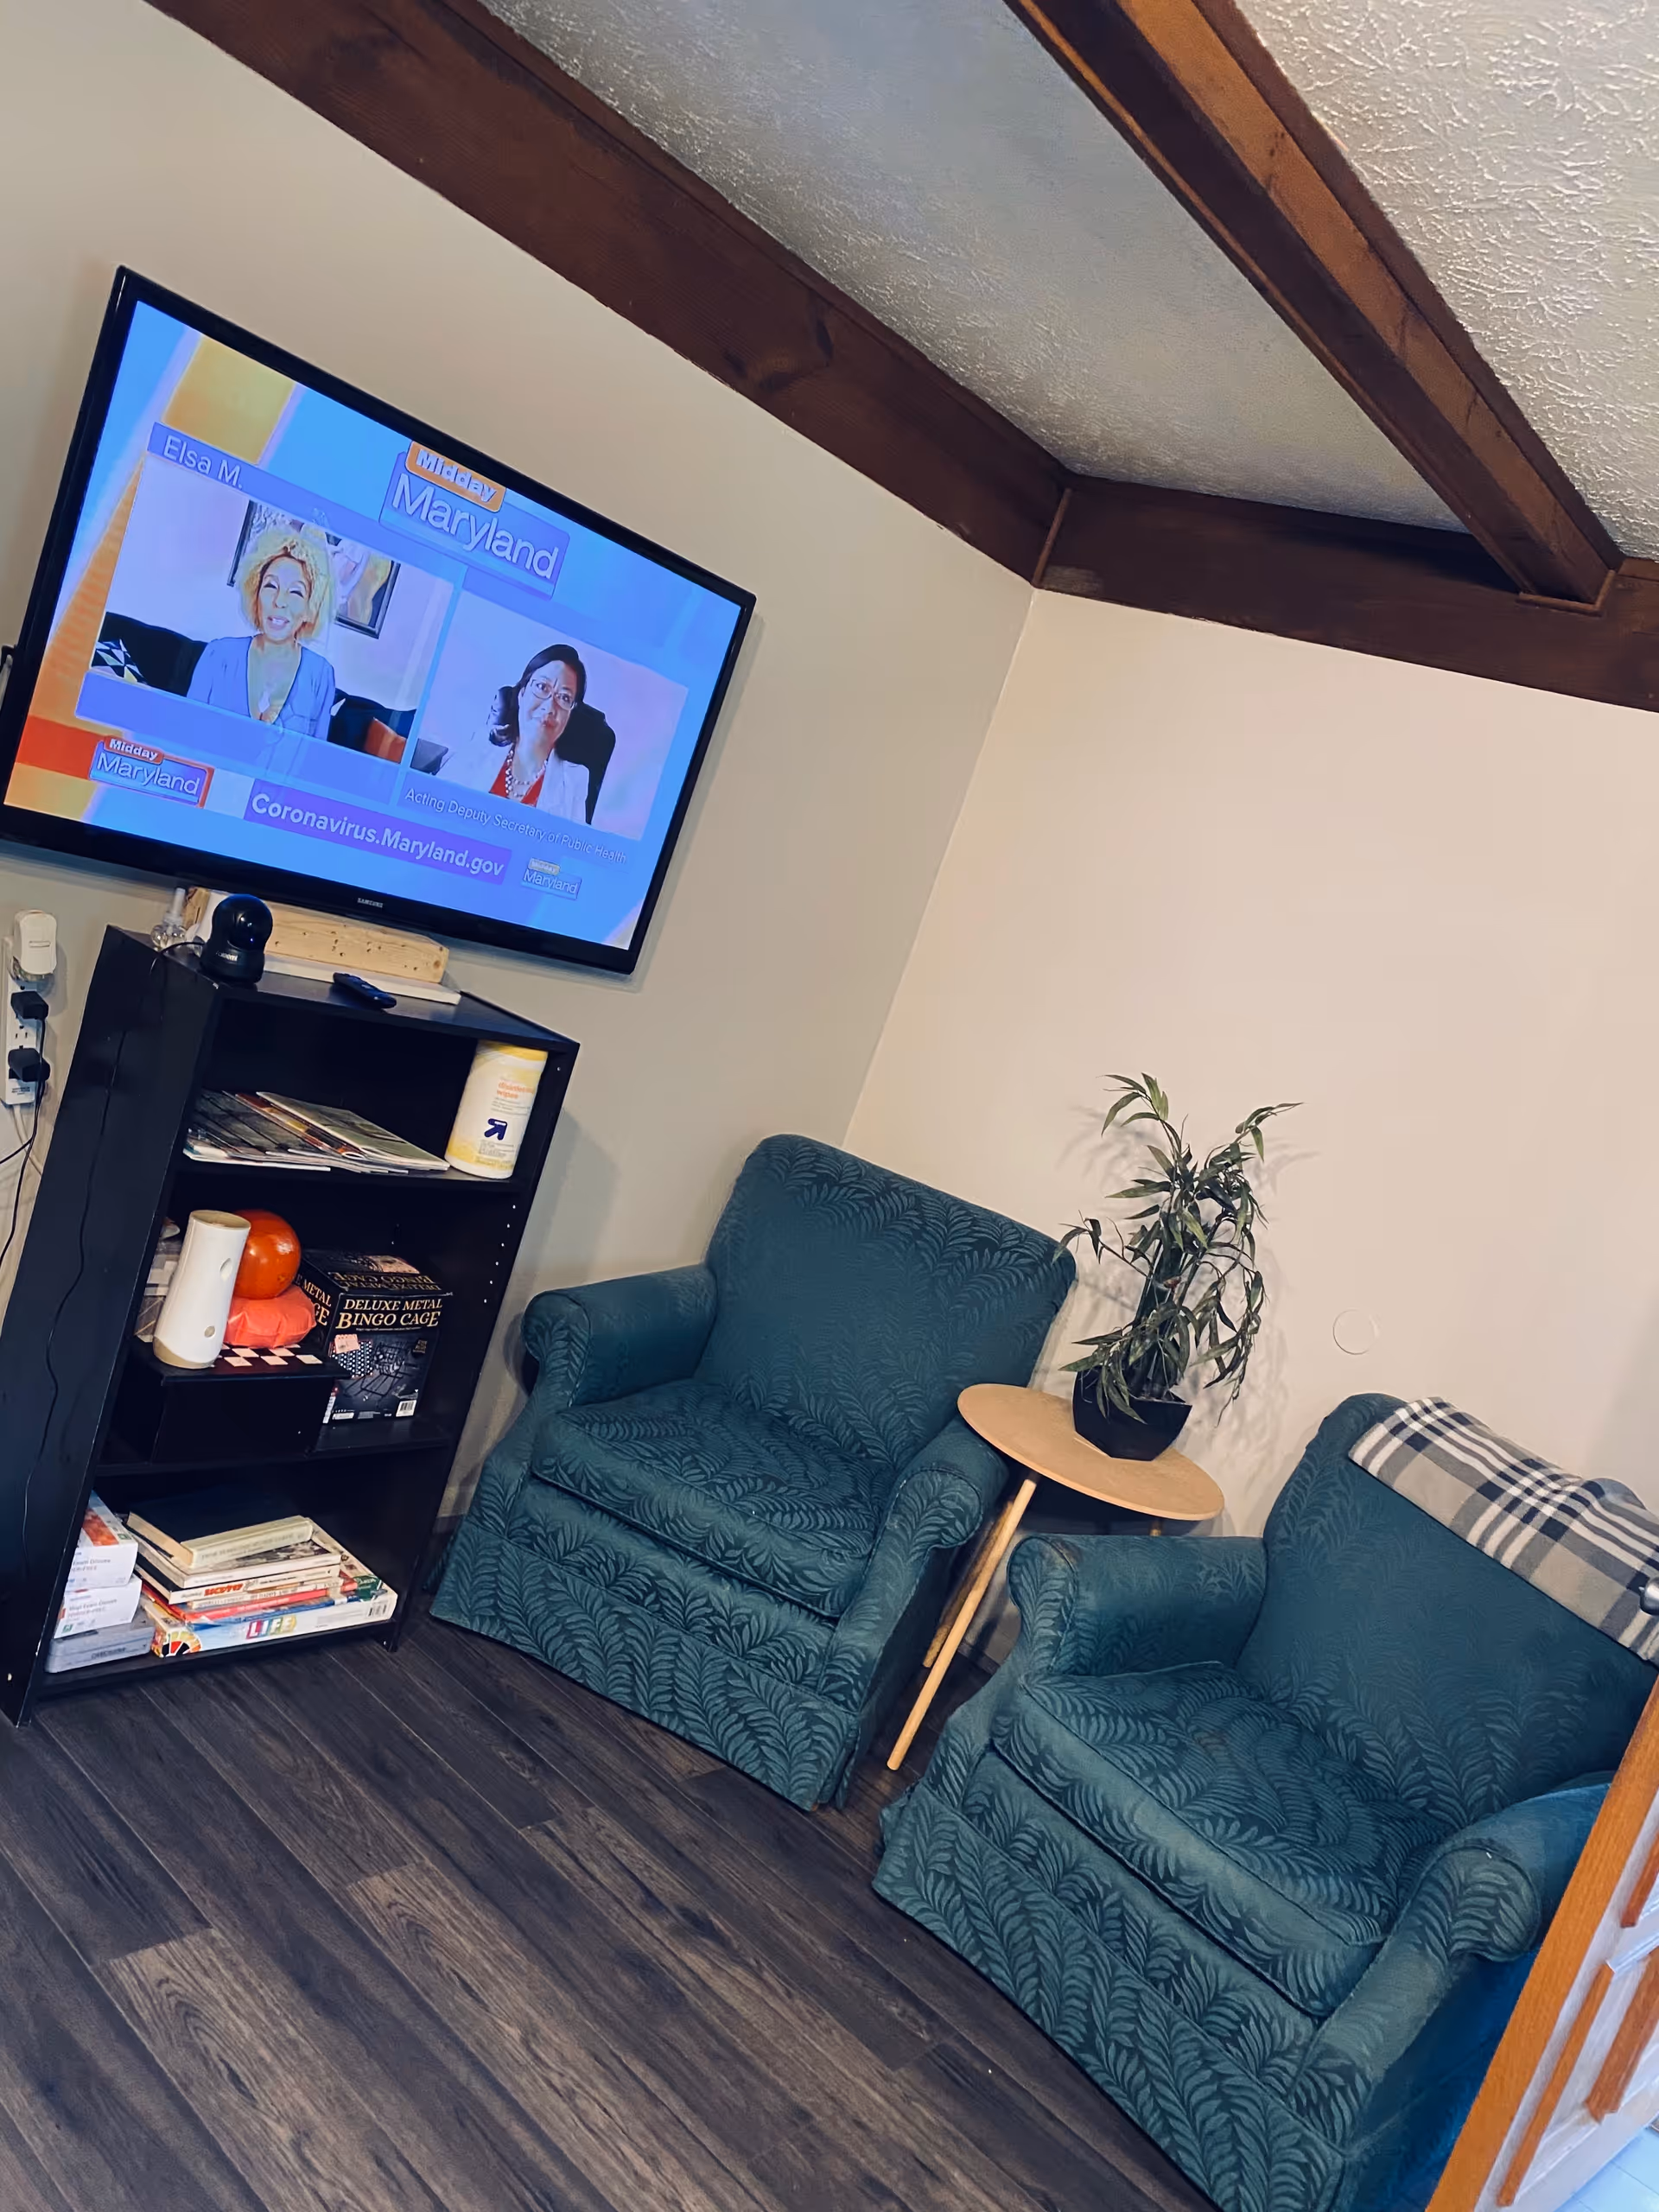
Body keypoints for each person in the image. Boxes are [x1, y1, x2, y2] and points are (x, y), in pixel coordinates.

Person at [188, 524, 337, 741]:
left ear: (309, 609)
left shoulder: (321, 675)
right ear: (255, 595)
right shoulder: (218, 655)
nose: (279, 601)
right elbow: (185, 734)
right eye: (270, 586)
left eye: (295, 592)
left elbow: (311, 758)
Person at [443, 645, 593, 820]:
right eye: (542, 687)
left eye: (565, 698)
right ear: (522, 693)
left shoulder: (575, 780)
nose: (549, 707)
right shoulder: (482, 744)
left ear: (570, 714)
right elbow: (434, 803)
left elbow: (569, 845)